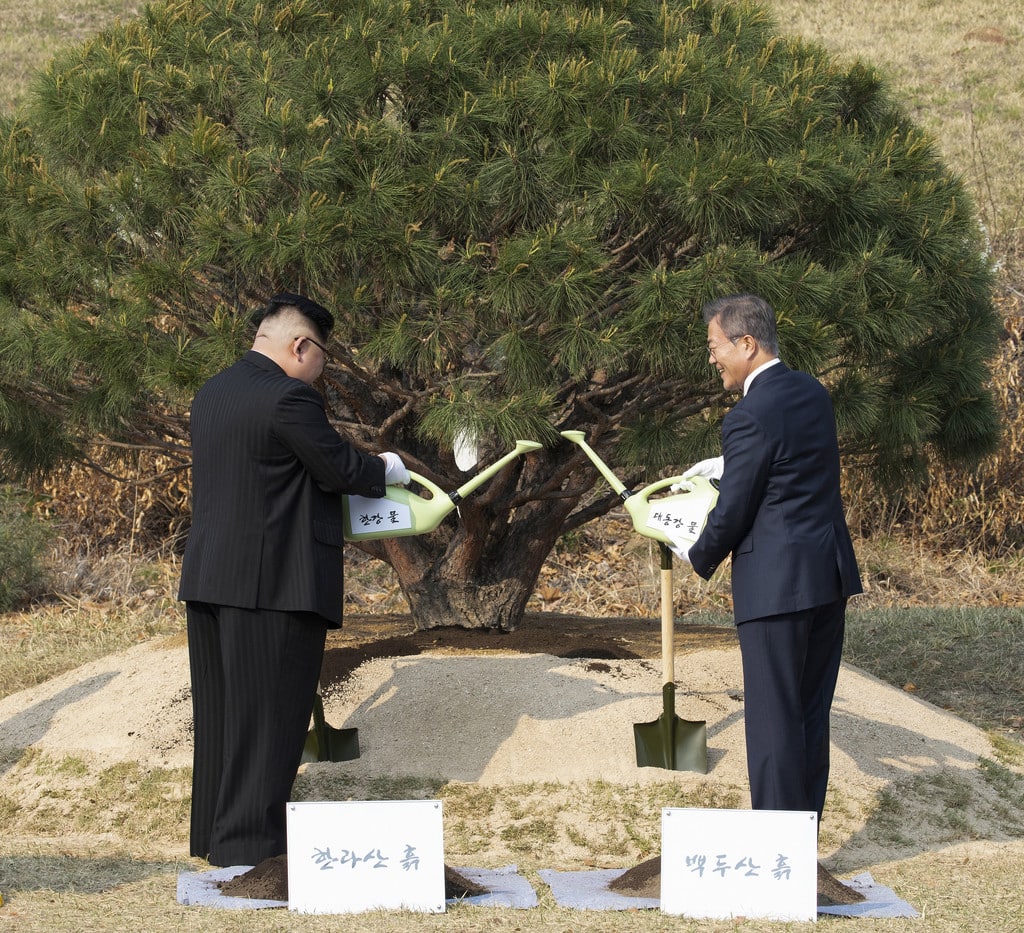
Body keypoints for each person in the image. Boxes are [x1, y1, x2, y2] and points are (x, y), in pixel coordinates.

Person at [178, 292, 410, 867]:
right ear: (301, 346)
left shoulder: (212, 393)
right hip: (274, 585)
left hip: (209, 579)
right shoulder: (288, 398)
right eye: (322, 358)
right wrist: (386, 467)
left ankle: (215, 838)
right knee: (269, 720)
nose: (320, 371)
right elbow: (340, 467)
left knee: (224, 718)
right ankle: (251, 853)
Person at [680, 293, 862, 828]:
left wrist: (695, 551)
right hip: (827, 576)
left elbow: (735, 508)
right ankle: (804, 850)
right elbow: (788, 471)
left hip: (775, 587)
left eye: (715, 347)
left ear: (747, 344)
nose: (712, 358)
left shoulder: (748, 417)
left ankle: (778, 848)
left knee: (773, 719)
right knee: (809, 712)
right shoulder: (812, 393)